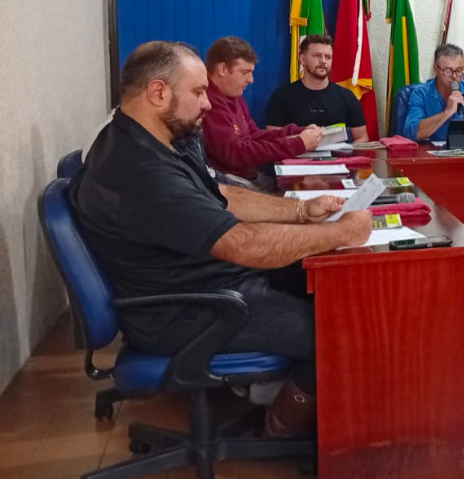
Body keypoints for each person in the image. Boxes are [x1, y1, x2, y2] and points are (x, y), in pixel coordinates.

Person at [71, 41, 374, 437]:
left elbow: (222, 195)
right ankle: (280, 429)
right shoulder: (141, 171)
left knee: (333, 290)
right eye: (198, 92)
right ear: (158, 93)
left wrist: (302, 211)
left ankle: (290, 396)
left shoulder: (154, 137)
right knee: (340, 329)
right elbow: (240, 244)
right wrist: (341, 231)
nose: (208, 103)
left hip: (207, 280)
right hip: (189, 310)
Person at [201, 36, 323, 189]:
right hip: (230, 182)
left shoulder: (232, 94)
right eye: (245, 72)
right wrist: (297, 144)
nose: (251, 79)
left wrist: (297, 132)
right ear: (222, 69)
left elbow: (252, 135)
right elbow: (235, 155)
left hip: (249, 176)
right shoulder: (208, 102)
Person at [265, 34, 368, 142]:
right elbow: (273, 141)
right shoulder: (281, 97)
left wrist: (349, 151)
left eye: (328, 57)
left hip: (338, 153)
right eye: (317, 56)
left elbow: (362, 137)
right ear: (302, 59)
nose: (323, 61)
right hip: (297, 152)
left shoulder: (347, 97)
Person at [403, 43, 464, 142]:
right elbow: (411, 133)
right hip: (431, 151)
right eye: (448, 71)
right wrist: (447, 112)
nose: (454, 76)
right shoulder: (420, 94)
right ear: (436, 70)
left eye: (459, 70)